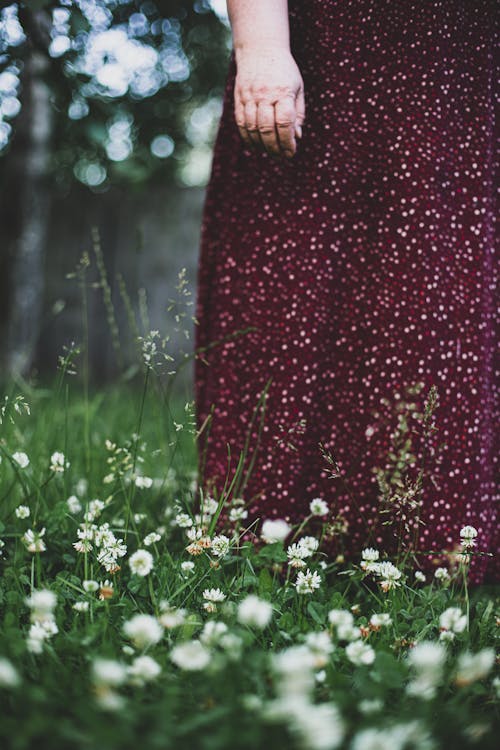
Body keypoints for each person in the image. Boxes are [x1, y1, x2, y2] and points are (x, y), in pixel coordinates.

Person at [194, 0, 497, 582]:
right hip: (327, 50)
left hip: (459, 68)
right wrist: (260, 46)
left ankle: (429, 547)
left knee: (437, 299)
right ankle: (275, 540)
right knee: (293, 289)